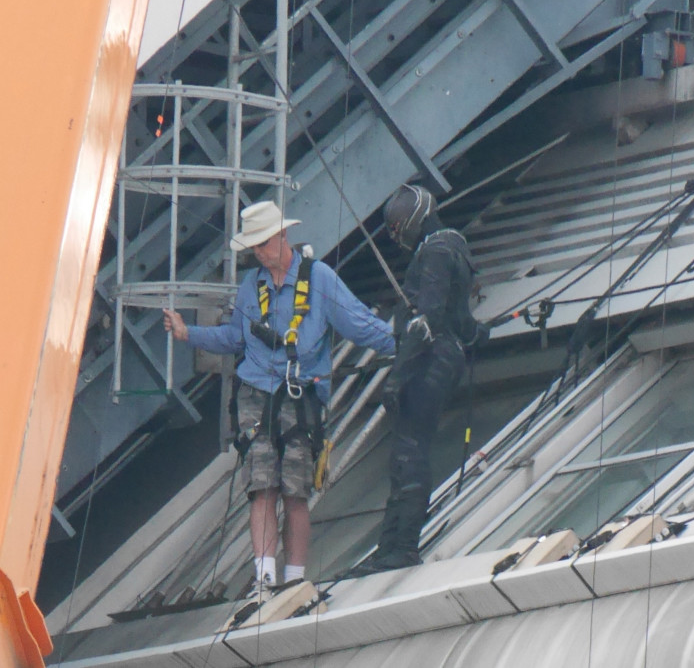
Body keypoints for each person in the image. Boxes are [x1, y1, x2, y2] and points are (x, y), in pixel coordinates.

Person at [163, 200, 395, 596]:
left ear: (283, 235)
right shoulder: (251, 286)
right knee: (262, 485)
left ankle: (294, 580)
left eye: (263, 242)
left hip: (299, 395)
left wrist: (405, 342)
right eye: (252, 246)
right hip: (255, 393)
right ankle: (265, 579)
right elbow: (235, 338)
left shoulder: (319, 279)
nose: (258, 252)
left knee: (296, 489)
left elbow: (358, 324)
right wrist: (190, 335)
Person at [346, 184, 487, 577]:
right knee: (407, 451)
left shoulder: (436, 252)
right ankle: (389, 547)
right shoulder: (453, 249)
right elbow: (459, 320)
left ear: (412, 220)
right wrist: (477, 335)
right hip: (445, 356)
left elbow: (425, 324)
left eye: (396, 228)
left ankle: (402, 547)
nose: (395, 236)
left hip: (429, 360)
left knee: (408, 453)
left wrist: (397, 376)